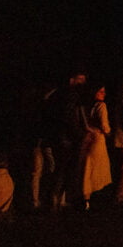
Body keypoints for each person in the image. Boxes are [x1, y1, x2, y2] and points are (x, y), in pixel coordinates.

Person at [43, 73, 89, 210]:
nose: (83, 82)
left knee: (60, 169)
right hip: (66, 137)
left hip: (59, 136)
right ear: (72, 79)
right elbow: (68, 117)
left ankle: (55, 198)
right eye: (80, 79)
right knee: (63, 169)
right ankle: (54, 198)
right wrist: (78, 134)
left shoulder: (57, 94)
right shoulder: (70, 95)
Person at [78, 84, 111, 210]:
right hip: (97, 139)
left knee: (86, 167)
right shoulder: (101, 106)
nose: (104, 94)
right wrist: (108, 132)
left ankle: (85, 197)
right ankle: (92, 197)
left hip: (86, 138)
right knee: (95, 169)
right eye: (101, 92)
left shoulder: (84, 106)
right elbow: (104, 124)